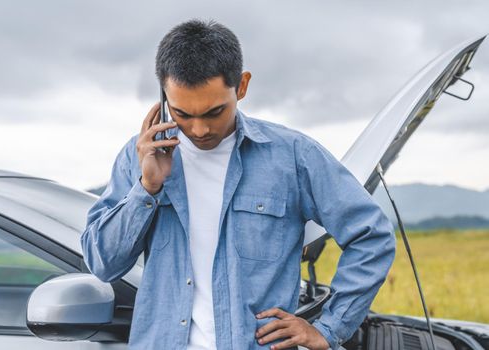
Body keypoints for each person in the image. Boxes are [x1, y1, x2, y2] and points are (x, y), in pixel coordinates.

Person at [80, 18, 396, 350]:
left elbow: (371, 235)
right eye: (183, 114)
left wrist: (329, 327)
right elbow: (103, 264)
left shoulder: (292, 156)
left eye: (215, 112)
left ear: (241, 86)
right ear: (163, 94)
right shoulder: (137, 158)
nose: (199, 130)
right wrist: (147, 188)